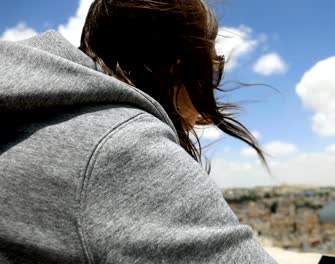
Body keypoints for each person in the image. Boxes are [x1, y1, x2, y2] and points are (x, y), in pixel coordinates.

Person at [0, 0, 277, 263]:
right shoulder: (123, 149)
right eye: (213, 69)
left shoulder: (25, 116)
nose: (213, 87)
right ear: (176, 69)